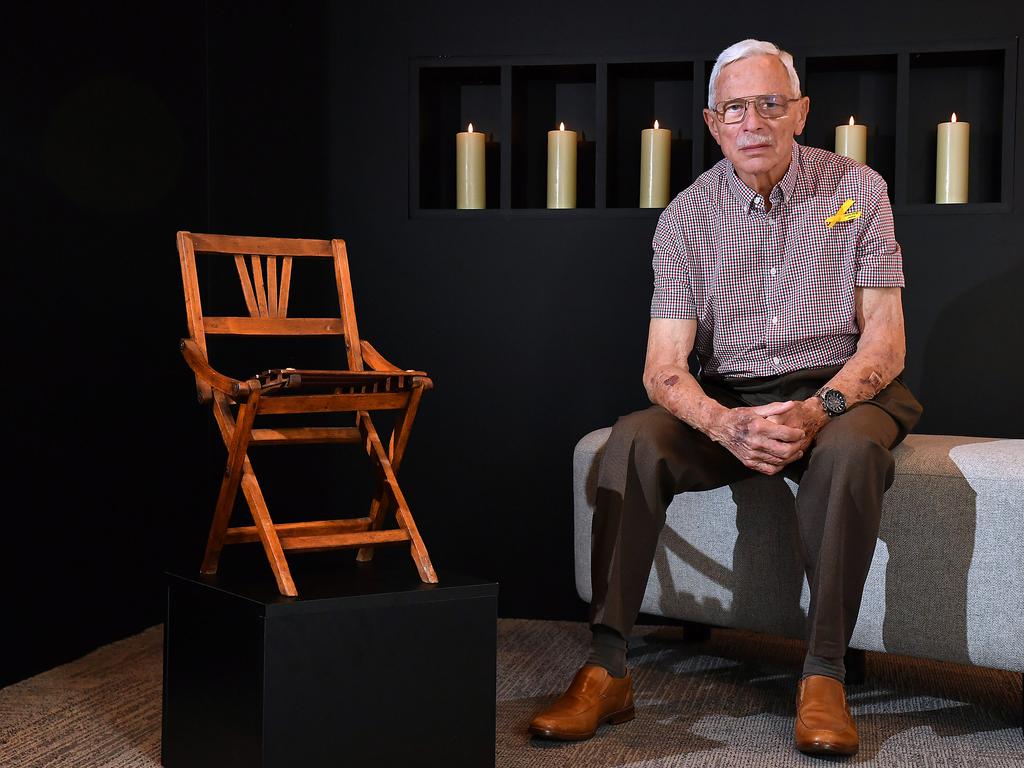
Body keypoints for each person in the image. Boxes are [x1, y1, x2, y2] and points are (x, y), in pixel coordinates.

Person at [527, 38, 923, 757]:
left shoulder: (858, 190)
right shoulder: (684, 217)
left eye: (771, 104)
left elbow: (885, 345)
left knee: (851, 452)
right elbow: (663, 367)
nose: (754, 122)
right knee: (634, 441)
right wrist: (725, 423)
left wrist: (812, 412)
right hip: (731, 398)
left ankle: (823, 675)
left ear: (799, 112)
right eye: (736, 107)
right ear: (714, 123)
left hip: (839, 392)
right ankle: (606, 668)